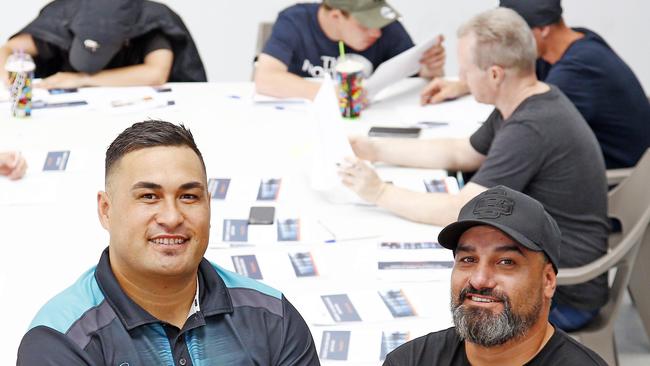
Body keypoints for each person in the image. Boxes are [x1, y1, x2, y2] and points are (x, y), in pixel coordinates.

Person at [340, 7, 608, 331]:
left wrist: (379, 191)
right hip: (547, 259)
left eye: (466, 71)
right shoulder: (525, 102)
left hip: (565, 291)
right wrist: (374, 148)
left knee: (440, 314)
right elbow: (461, 151)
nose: (462, 79)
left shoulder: (531, 127)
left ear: (494, 74)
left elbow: (459, 211)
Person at [17, 121, 319, 365]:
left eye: (189, 196)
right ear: (106, 210)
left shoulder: (271, 316)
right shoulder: (61, 341)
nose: (172, 217)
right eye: (149, 196)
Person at [383, 186, 607, 365]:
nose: (479, 280)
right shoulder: (410, 360)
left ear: (547, 280)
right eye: (468, 260)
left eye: (506, 262)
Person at [422, 0, 650, 169]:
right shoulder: (578, 41)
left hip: (615, 180)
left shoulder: (576, 73)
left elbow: (524, 129)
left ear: (543, 30)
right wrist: (464, 85)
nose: (511, 43)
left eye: (516, 34)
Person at [254, 0, 445, 99]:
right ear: (336, 16)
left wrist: (428, 70)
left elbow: (419, 75)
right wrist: (331, 95)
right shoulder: (295, 21)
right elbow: (266, 78)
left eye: (378, 22)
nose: (377, 32)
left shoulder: (388, 28)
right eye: (365, 25)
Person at [0, 0, 207, 89]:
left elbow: (156, 73)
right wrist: (7, 80)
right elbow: (8, 49)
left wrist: (82, 79)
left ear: (127, 39)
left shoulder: (147, 23)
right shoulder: (64, 20)